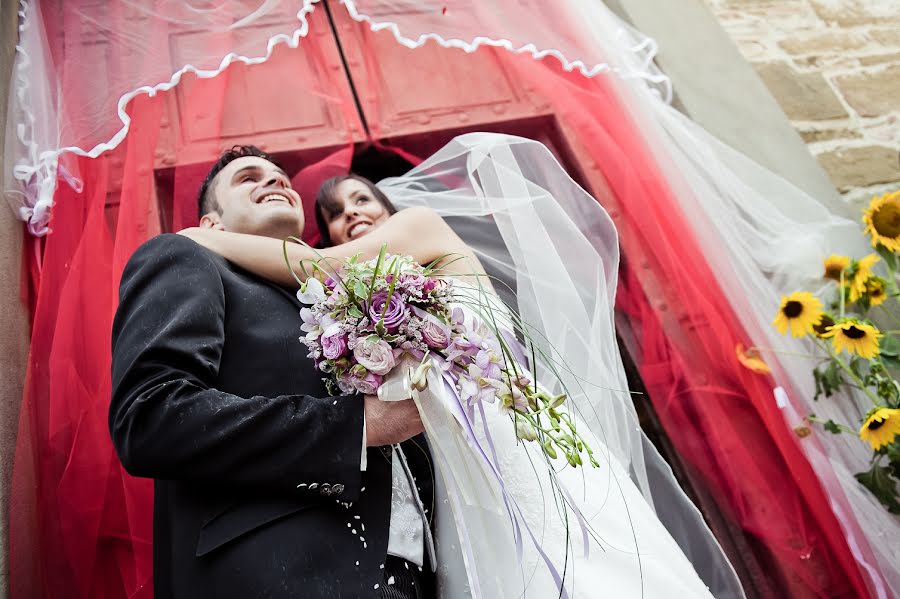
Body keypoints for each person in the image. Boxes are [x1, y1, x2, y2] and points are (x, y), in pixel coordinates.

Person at [179, 134, 747, 598]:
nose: (351, 215)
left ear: (389, 207)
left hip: (513, 433)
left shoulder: (418, 230)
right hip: (451, 467)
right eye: (335, 215)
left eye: (361, 201)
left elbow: (318, 268)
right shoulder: (353, 303)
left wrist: (194, 239)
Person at [110, 145, 436, 599]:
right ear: (211, 225)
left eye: (280, 176)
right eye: (247, 178)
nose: (275, 181)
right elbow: (151, 416)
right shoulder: (186, 257)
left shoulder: (342, 298)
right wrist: (357, 425)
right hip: (274, 572)